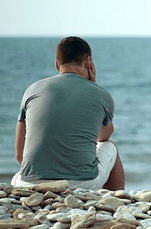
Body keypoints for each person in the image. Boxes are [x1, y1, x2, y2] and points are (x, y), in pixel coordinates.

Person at [12, 36, 125, 191]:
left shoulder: (31, 90)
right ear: (88, 62)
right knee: (110, 147)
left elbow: (20, 155)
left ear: (57, 65)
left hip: (31, 182)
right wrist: (92, 86)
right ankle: (115, 201)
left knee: (15, 178)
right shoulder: (101, 94)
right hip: (82, 183)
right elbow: (103, 137)